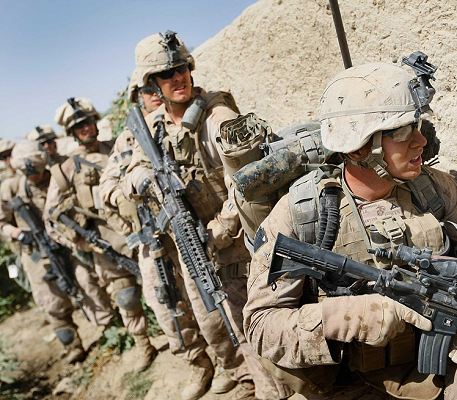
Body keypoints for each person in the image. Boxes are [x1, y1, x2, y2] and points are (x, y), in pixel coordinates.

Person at [243, 63, 457, 400]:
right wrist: (353, 316)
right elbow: (261, 326)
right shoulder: (302, 213)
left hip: (441, 361)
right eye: (401, 132)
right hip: (347, 381)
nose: (421, 141)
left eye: (417, 126)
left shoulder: (436, 190)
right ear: (361, 147)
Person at [122, 30, 291, 400]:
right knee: (213, 324)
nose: (178, 78)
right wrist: (144, 178)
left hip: (234, 242)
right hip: (192, 243)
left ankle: (274, 390)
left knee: (248, 322)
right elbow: (129, 173)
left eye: (181, 68)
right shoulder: (152, 126)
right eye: (166, 74)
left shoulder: (217, 116)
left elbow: (246, 182)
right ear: (153, 83)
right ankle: (246, 382)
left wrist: (221, 228)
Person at [43, 97, 157, 372]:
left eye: (88, 122)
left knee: (163, 287)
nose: (86, 128)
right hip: (106, 245)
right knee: (126, 297)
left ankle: (182, 336)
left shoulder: (116, 147)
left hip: (141, 232)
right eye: (79, 126)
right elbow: (51, 218)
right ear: (72, 132)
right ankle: (143, 344)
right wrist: (79, 242)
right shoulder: (65, 170)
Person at [0, 140, 114, 363]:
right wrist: (18, 233)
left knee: (86, 281)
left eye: (37, 171)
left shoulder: (56, 176)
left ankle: (109, 325)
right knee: (52, 301)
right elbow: (2, 222)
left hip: (65, 242)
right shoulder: (11, 188)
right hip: (35, 252)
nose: (35, 177)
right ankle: (72, 345)